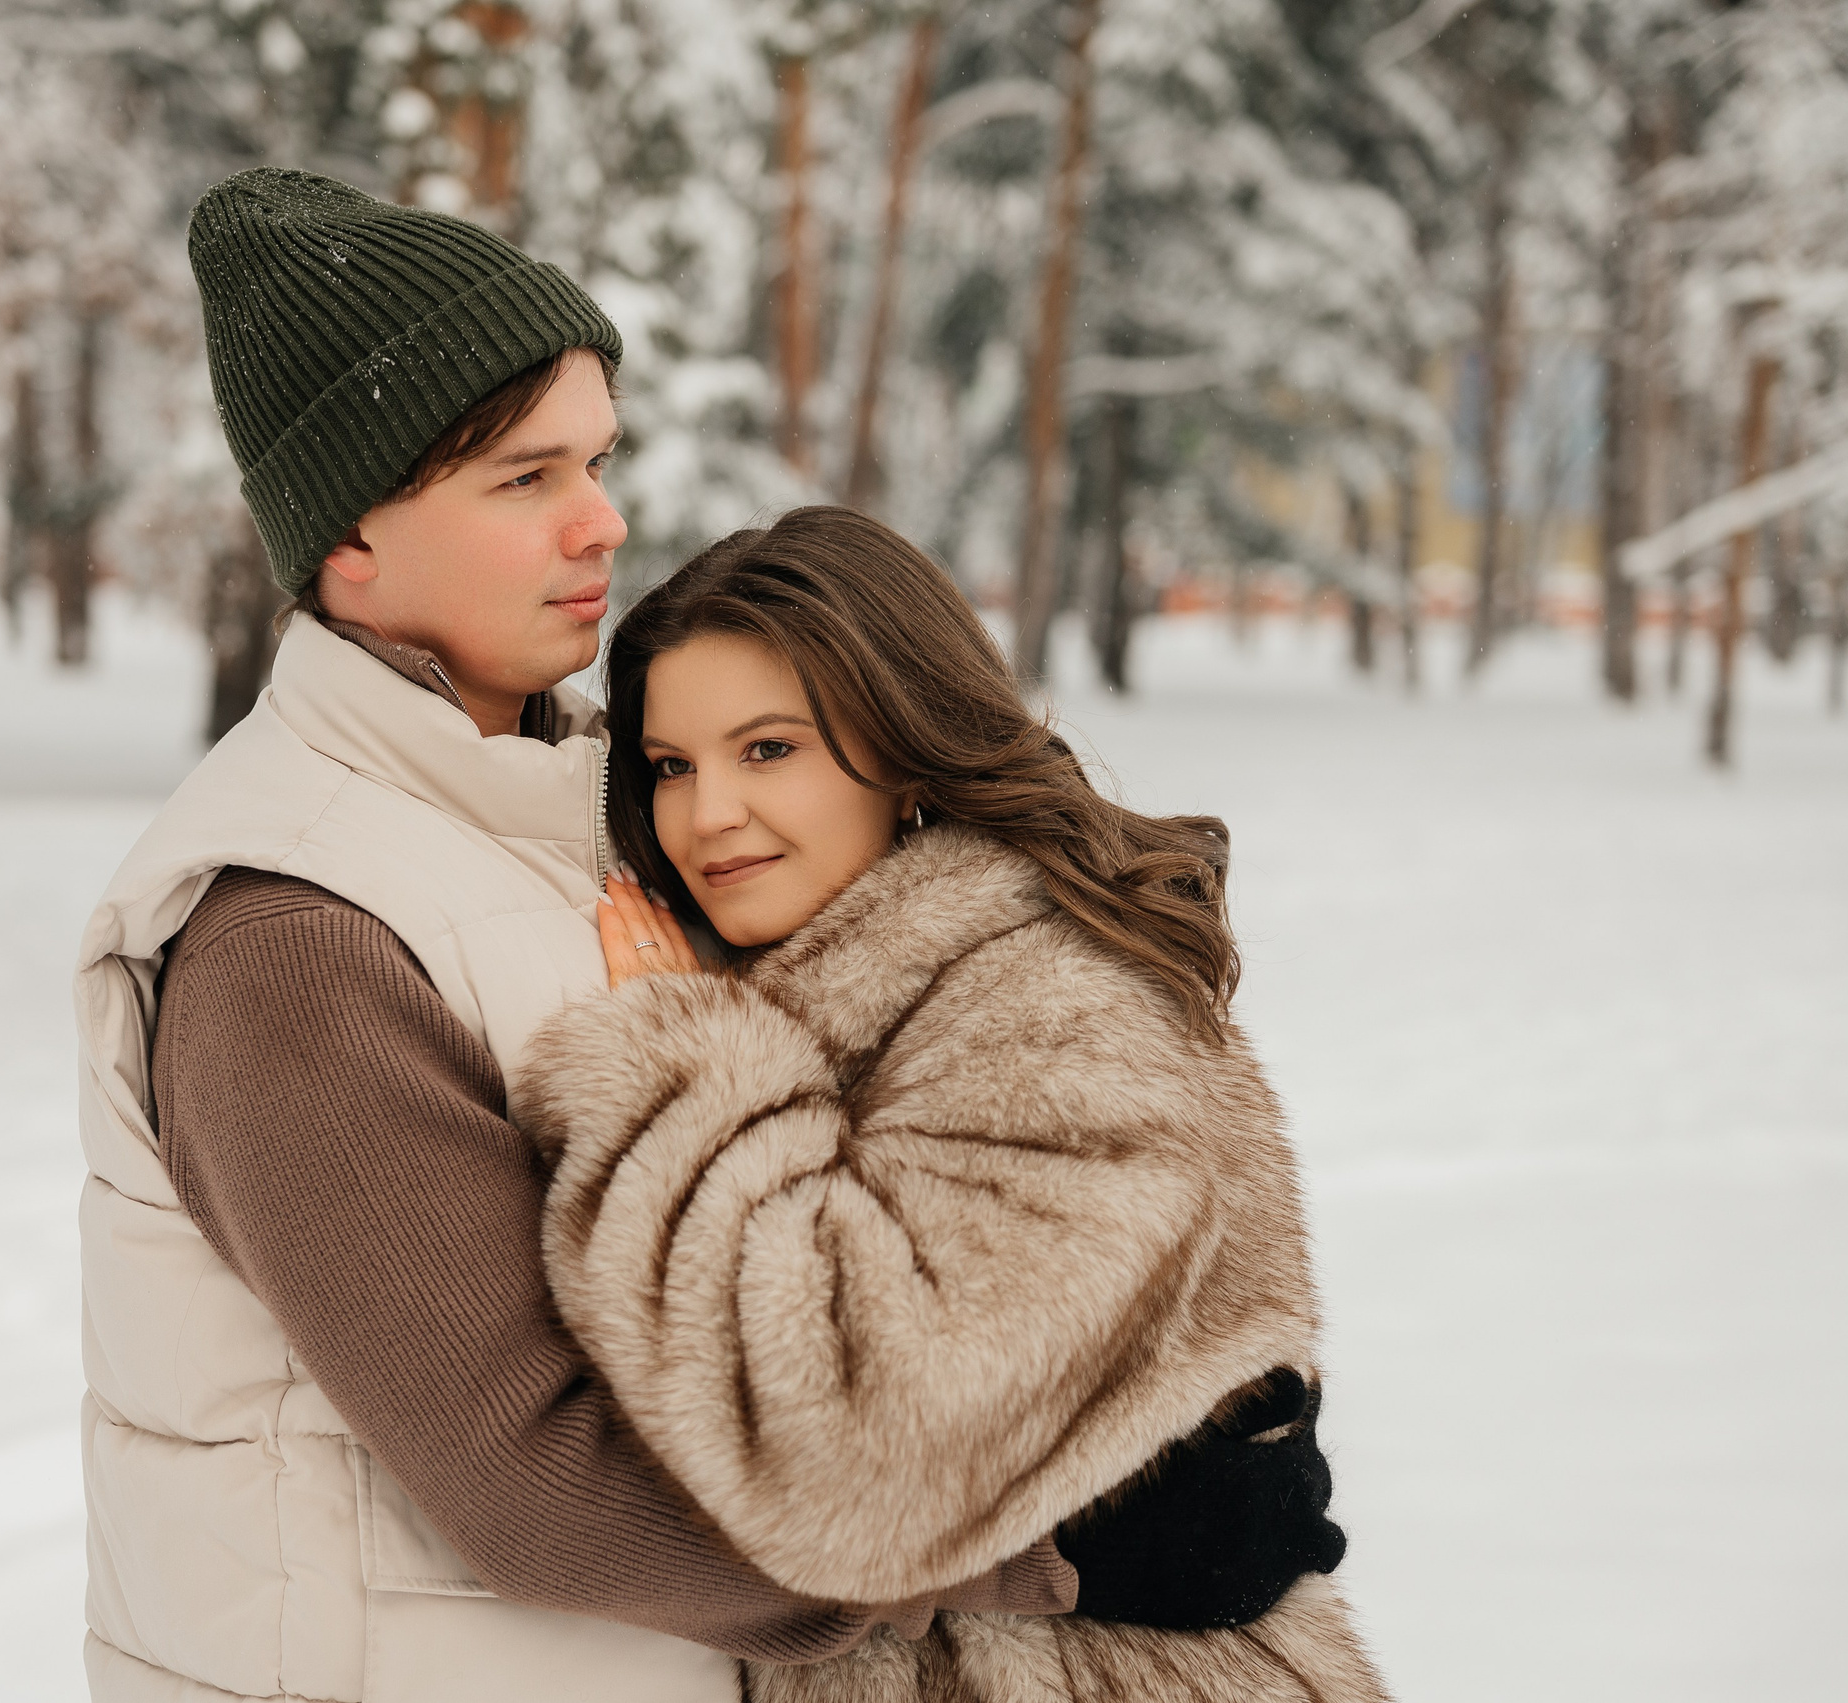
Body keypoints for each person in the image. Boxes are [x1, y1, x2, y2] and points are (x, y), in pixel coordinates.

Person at [75, 170, 1345, 1703]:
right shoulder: (298, 929)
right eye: (525, 477)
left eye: (599, 459)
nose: (600, 519)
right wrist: (1071, 1549)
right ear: (349, 534)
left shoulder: (585, 816)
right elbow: (541, 1473)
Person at [507, 505, 1376, 1702]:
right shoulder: (821, 987)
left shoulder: (1049, 1003)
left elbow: (857, 1457)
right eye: (671, 765)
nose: (706, 813)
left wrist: (684, 1076)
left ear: (908, 745)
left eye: (769, 749)